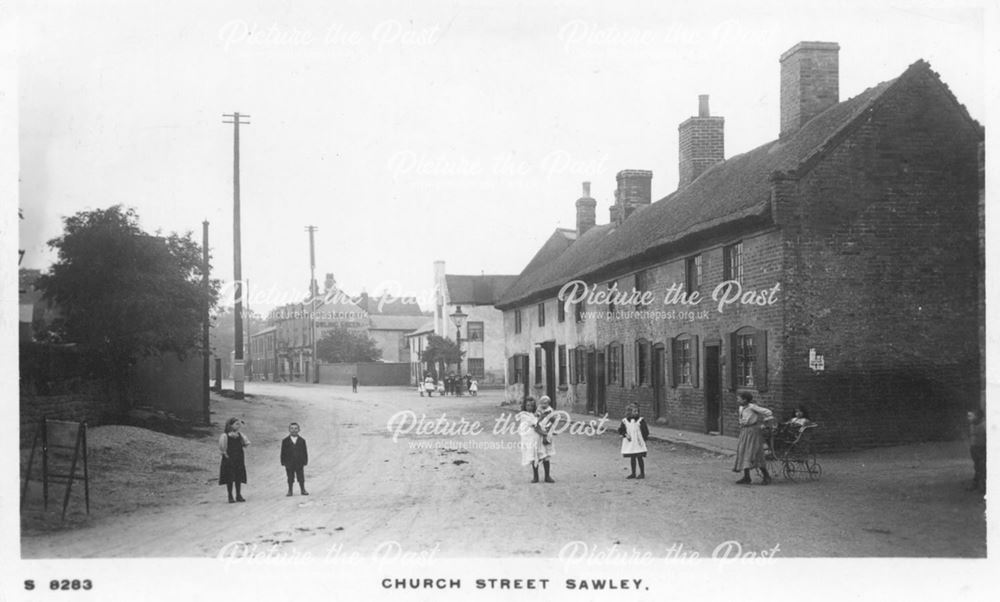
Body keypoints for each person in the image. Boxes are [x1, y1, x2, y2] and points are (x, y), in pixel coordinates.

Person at [732, 391, 773, 485]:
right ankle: (747, 477)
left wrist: (765, 423)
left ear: (745, 400)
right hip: (744, 432)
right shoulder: (741, 408)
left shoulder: (752, 407)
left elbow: (768, 412)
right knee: (743, 451)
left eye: (739, 399)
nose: (737, 400)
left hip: (753, 432)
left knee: (754, 452)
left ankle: (766, 476)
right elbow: (742, 419)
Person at [218, 417, 250, 503]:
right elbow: (222, 448)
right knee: (230, 477)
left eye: (239, 424)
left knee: (238, 477)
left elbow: (245, 444)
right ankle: (230, 495)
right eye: (236, 424)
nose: (238, 425)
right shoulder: (225, 436)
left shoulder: (240, 435)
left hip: (239, 458)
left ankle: (238, 494)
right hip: (229, 459)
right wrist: (226, 455)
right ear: (230, 425)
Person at [618, 403, 649, 479]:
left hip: (638, 442)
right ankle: (633, 473)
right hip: (631, 441)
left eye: (637, 411)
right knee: (632, 457)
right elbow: (621, 430)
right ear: (629, 412)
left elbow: (645, 431)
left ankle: (642, 473)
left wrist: (643, 439)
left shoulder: (640, 420)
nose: (636, 413)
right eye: (634, 411)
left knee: (639, 457)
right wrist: (625, 434)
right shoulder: (625, 421)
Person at [280, 422, 309, 496]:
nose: (294, 430)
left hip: (299, 462)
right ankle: (290, 490)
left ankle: (303, 489)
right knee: (290, 477)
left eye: (296, 428)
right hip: (289, 462)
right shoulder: (285, 441)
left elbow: (304, 451)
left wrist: (305, 461)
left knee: (301, 476)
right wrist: (283, 462)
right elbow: (283, 452)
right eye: (292, 428)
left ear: (299, 430)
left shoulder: (302, 440)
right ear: (289, 430)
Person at [535, 395, 557, 483]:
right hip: (538, 433)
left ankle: (547, 476)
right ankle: (535, 476)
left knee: (547, 455)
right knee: (536, 455)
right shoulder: (538, 410)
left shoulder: (550, 410)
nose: (544, 405)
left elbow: (553, 420)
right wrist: (540, 416)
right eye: (542, 403)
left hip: (547, 431)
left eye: (546, 403)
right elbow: (535, 420)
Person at [968, 408, 986, 494]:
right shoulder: (972, 425)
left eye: (971, 416)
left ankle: (982, 487)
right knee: (977, 467)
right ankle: (977, 485)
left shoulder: (984, 426)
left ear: (978, 416)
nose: (969, 418)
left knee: (982, 468)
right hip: (974, 449)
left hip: (982, 449)